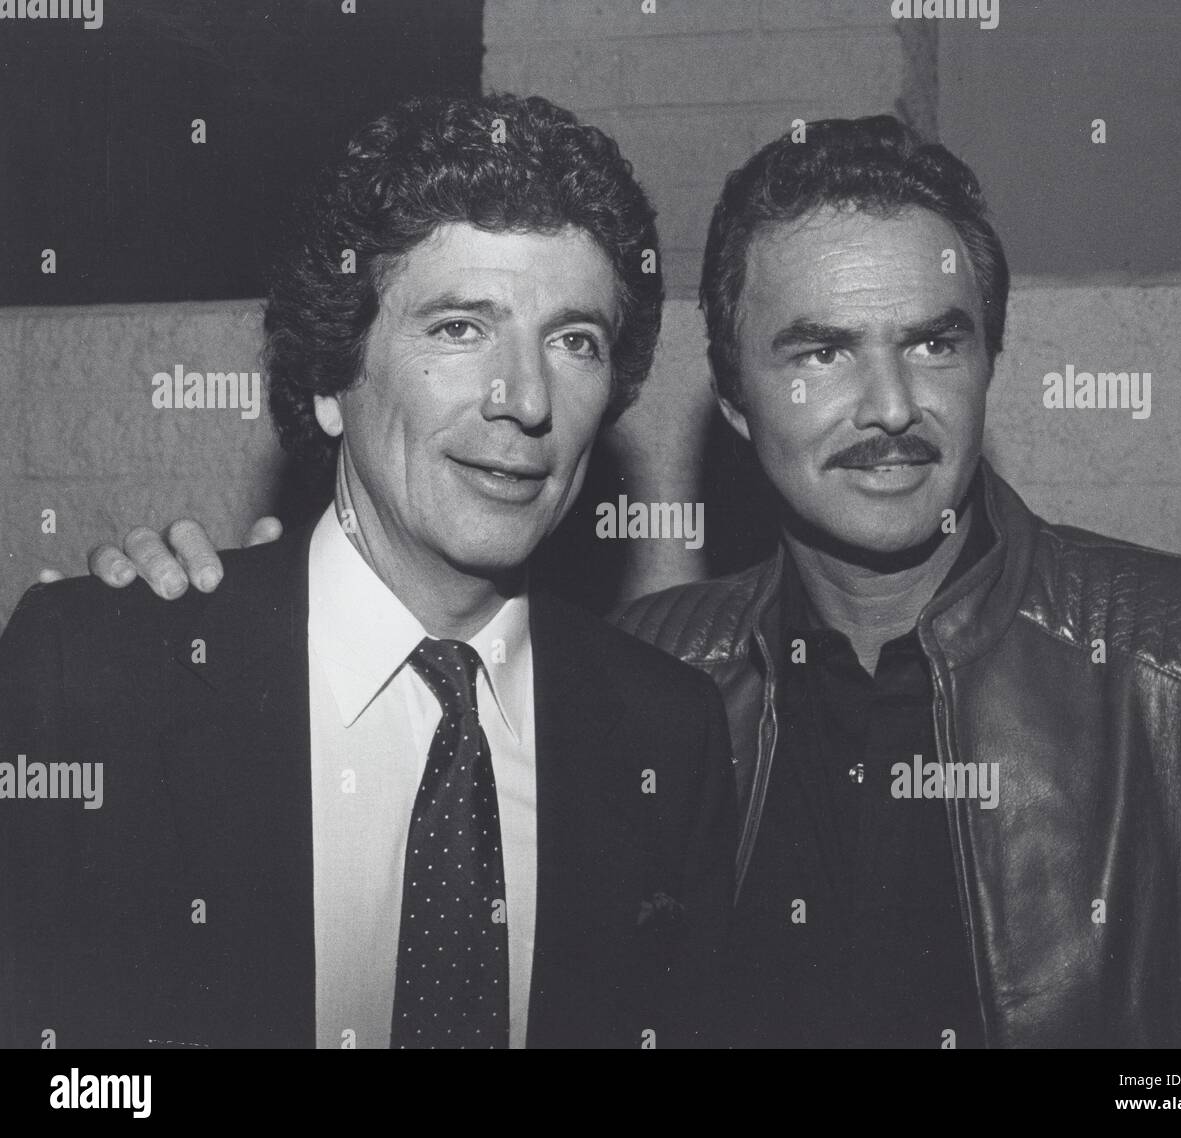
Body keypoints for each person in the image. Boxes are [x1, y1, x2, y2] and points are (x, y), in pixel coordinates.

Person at [80, 116, 1181, 1049]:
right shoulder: (662, 686)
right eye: (819, 351)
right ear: (729, 399)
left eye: (934, 340)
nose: (889, 408)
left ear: (990, 361)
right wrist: (168, 623)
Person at [0, 92, 737, 1050]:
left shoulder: (666, 734)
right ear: (331, 379)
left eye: (573, 340)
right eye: (459, 328)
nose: (525, 398)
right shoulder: (98, 675)